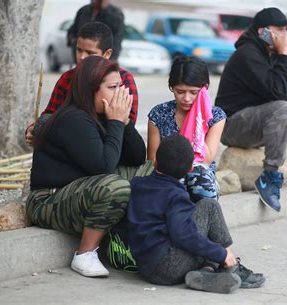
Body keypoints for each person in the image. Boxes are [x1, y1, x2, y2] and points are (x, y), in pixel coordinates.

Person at [27, 56, 153, 278]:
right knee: (116, 186)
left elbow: (136, 158)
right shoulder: (73, 119)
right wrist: (115, 123)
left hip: (81, 189)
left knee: (151, 171)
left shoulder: (102, 115)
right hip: (48, 200)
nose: (120, 93)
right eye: (112, 87)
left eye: (120, 87)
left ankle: (143, 235)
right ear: (90, 89)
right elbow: (103, 167)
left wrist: (124, 122)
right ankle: (85, 253)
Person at [215, 7, 287, 212]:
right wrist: (284, 54)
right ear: (263, 32)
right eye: (280, 29)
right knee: (279, 107)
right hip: (232, 126)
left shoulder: (269, 55)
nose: (284, 35)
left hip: (257, 121)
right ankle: (269, 177)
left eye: (285, 29)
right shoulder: (248, 54)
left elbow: (283, 98)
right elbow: (278, 96)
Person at [123, 134, 265, 293]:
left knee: (199, 232)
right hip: (169, 266)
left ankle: (207, 271)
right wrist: (221, 253)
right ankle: (230, 265)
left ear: (155, 161)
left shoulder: (137, 184)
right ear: (191, 168)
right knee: (209, 206)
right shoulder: (176, 196)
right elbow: (184, 235)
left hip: (145, 267)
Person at [25, 21, 138, 145]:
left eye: (90, 53)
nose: (82, 57)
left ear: (107, 54)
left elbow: (128, 124)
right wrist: (34, 128)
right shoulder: (67, 78)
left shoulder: (122, 79)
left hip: (109, 143)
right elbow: (51, 114)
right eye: (79, 50)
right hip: (69, 143)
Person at [147, 55, 226, 202]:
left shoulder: (215, 116)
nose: (187, 98)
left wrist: (198, 118)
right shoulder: (158, 114)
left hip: (200, 182)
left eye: (194, 92)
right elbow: (152, 161)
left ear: (205, 89)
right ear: (172, 88)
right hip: (166, 178)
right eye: (180, 91)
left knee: (197, 175)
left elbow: (206, 159)